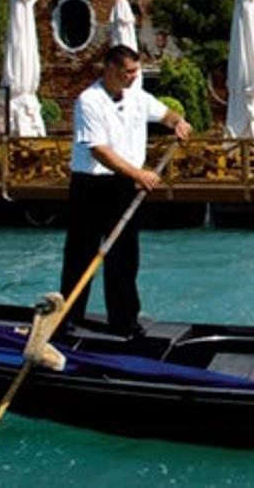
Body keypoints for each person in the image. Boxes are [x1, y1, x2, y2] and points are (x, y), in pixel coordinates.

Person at [61, 44, 192, 336]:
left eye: (136, 71)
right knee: (82, 252)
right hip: (91, 185)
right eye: (128, 72)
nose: (133, 77)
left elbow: (165, 114)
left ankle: (124, 322)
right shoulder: (89, 101)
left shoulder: (137, 96)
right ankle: (68, 319)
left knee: (124, 255)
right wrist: (139, 174)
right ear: (110, 69)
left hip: (124, 185)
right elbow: (99, 151)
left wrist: (178, 122)